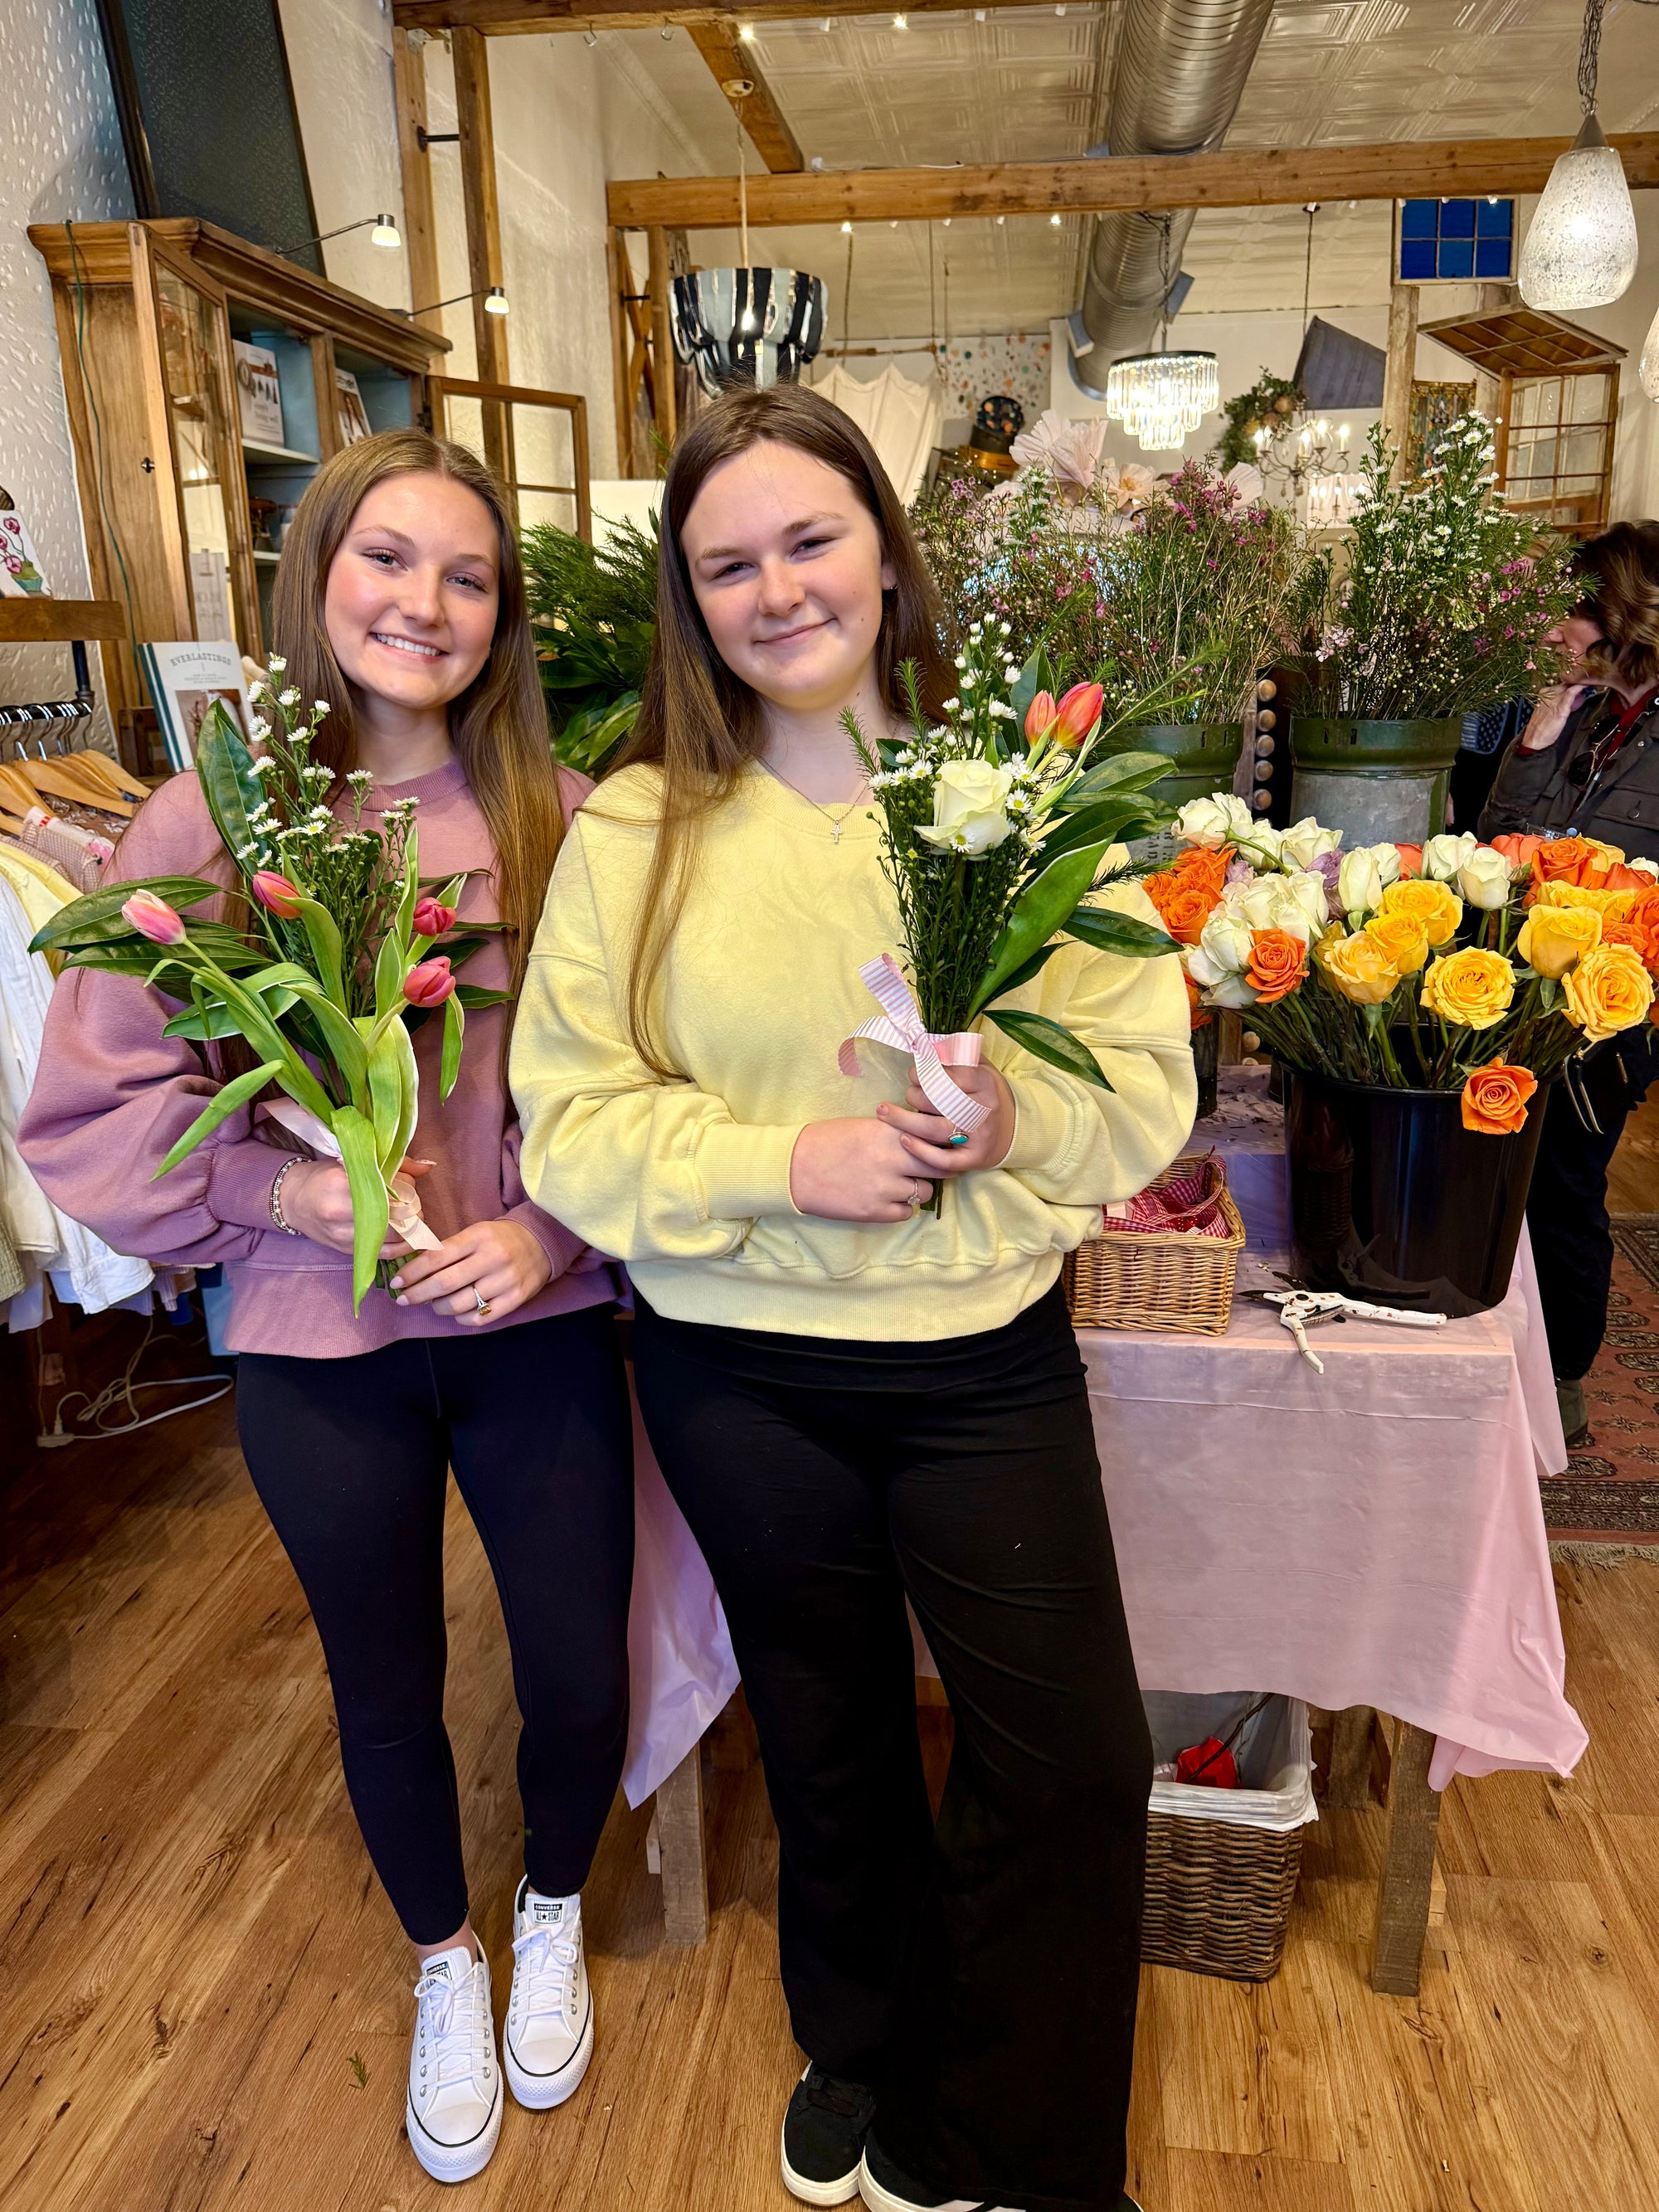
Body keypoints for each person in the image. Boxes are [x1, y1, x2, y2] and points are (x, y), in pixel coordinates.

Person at [510, 385, 1194, 2212]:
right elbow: (567, 1124)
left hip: (978, 1360)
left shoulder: (1022, 806)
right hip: (738, 1365)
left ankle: (1020, 2145)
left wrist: (1014, 1115)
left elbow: (1145, 1082)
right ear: (690, 600)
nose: (774, 587)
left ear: (886, 554)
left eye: (807, 539)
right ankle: (863, 2042)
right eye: (726, 562)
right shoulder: (636, 827)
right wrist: (784, 1164)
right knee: (823, 1732)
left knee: (1066, 1759)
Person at [20, 430, 634, 2185]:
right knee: (382, 1673)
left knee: (576, 1669)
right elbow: (93, 1106)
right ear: (317, 577)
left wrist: (550, 1235)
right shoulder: (213, 817)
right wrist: (288, 1193)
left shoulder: (563, 819)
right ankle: (445, 1963)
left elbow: (635, 1087)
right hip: (318, 1337)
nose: (422, 604)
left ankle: (553, 1899)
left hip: (530, 1323)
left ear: (503, 612)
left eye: (464, 573)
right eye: (386, 558)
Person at [1481, 520, 1659, 1442]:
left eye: (1572, 611)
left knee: (1562, 1183)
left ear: (1626, 615)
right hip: (1528, 990)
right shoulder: (1583, 716)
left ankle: (1563, 1380)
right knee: (1504, 1167)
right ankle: (1504, 1342)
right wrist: (1537, 742)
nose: (1551, 629)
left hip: (1616, 1010)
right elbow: (1497, 848)